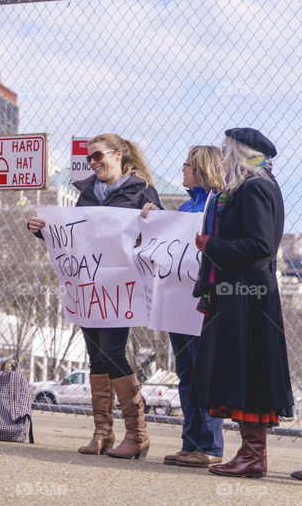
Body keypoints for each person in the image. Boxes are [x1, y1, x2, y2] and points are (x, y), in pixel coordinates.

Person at [27, 133, 161, 459]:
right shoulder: (86, 194)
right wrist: (45, 230)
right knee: (96, 357)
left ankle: (137, 433)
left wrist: (154, 216)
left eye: (99, 156)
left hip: (120, 289)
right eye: (89, 158)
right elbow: (76, 239)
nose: (93, 163)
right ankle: (102, 432)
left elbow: (157, 236)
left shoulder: (141, 191)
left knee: (114, 353)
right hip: (88, 287)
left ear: (119, 155)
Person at [189, 128, 293, 479]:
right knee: (247, 368)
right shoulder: (259, 185)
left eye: (225, 150)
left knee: (247, 368)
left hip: (247, 293)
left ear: (238, 153)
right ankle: (252, 454)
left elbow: (260, 245)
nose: (221, 157)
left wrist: (211, 245)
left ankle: (252, 454)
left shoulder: (254, 188)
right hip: (245, 292)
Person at [143, 146, 225, 468]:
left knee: (203, 372)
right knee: (187, 372)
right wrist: (155, 216)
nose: (182, 170)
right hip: (178, 302)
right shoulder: (187, 205)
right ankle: (191, 444)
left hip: (202, 302)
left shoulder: (216, 206)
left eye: (187, 165)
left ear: (202, 169)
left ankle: (210, 445)